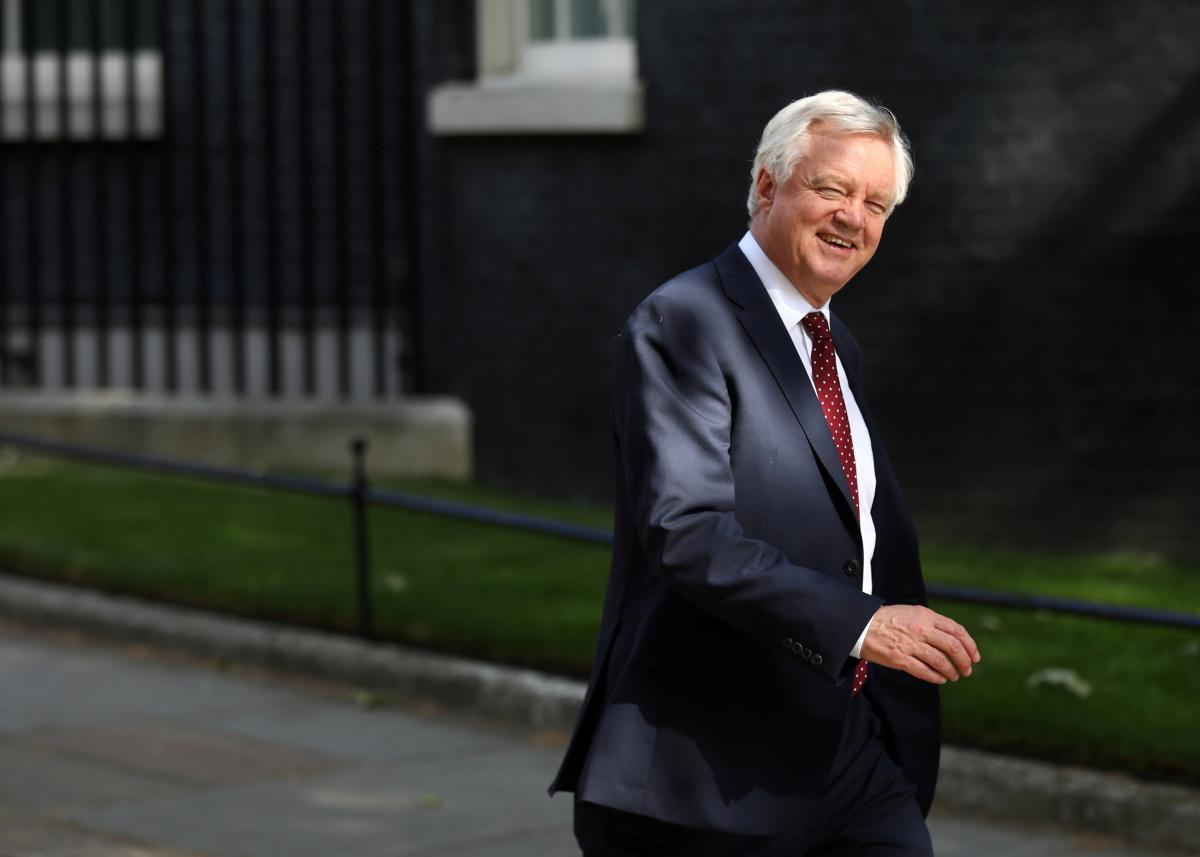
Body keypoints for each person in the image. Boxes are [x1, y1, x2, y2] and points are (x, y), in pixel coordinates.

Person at [548, 90, 982, 855]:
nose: (853, 217)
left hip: (845, 750)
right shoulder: (684, 320)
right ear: (766, 185)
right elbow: (688, 532)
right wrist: (861, 624)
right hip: (709, 775)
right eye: (832, 188)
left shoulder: (833, 341)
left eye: (876, 203)